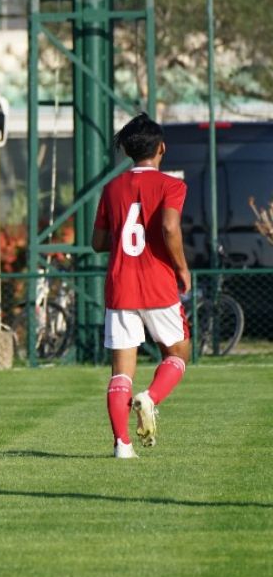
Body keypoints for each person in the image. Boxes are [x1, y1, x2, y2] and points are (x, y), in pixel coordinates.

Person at [91, 113, 191, 459]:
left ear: (129, 151)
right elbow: (169, 227)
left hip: (121, 286)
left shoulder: (111, 188)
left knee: (121, 371)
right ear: (161, 148)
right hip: (158, 284)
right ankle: (150, 398)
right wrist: (181, 267)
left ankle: (122, 445)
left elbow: (98, 242)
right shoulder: (171, 185)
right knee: (178, 352)